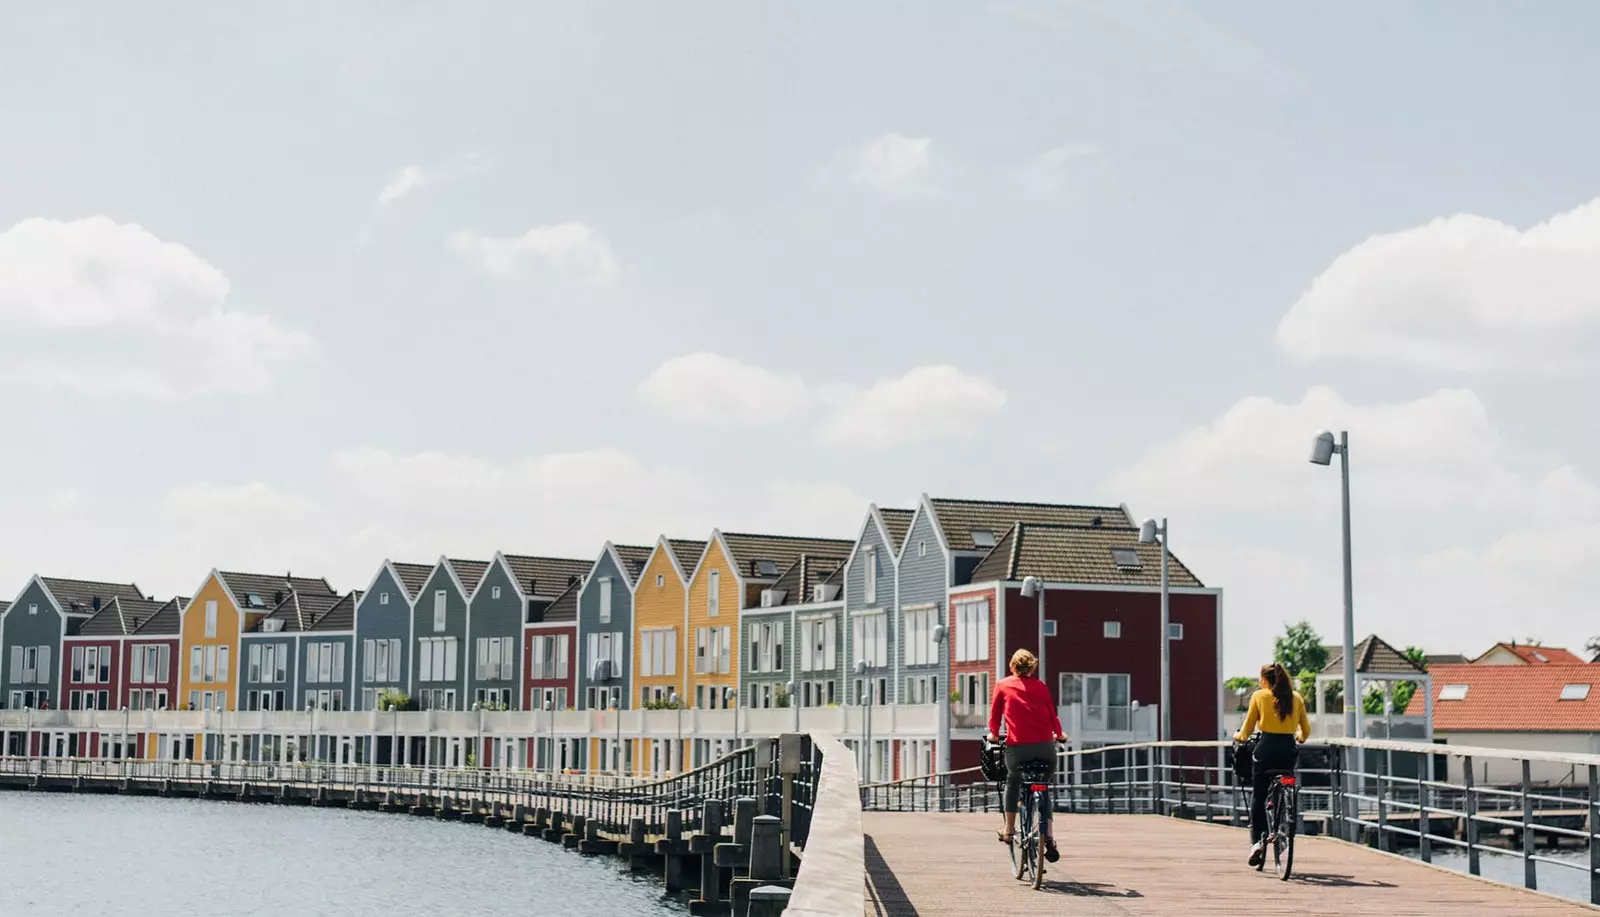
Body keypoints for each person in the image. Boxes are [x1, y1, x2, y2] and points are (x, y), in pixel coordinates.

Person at [986, 649, 1068, 862]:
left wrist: (994, 734)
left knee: (1013, 781)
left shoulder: (1003, 685)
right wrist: (1059, 735)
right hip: (1045, 749)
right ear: (1032, 667)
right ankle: (1048, 837)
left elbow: (995, 717)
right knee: (1044, 785)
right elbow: (1051, 714)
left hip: (1018, 749)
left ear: (1012, 666)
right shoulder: (1041, 686)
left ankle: (1009, 830)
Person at [1234, 661, 1311, 866]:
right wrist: (1300, 738)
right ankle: (1284, 818)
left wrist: (1239, 736)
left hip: (1266, 750)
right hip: (1288, 752)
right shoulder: (1296, 698)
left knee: (1259, 795)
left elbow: (1247, 729)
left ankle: (1257, 843)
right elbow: (1306, 731)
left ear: (1265, 680)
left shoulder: (1259, 696)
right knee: (1286, 781)